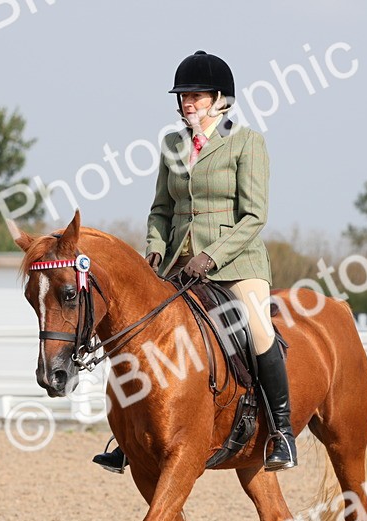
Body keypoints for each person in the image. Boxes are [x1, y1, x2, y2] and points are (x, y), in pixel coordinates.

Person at [92, 50, 295, 474]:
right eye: (183, 96)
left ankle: (281, 433)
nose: (187, 103)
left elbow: (255, 215)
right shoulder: (172, 145)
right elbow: (160, 210)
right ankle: (129, 437)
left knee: (259, 332)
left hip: (236, 264)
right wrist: (154, 248)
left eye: (196, 96)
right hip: (180, 263)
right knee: (141, 335)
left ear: (220, 99)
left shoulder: (246, 142)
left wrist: (211, 256)